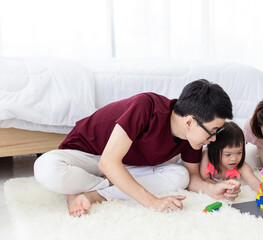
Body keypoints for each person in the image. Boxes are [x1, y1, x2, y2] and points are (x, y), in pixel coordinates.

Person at [34, 79, 240, 217]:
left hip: (125, 164)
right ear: (189, 122)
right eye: (212, 131)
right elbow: (107, 161)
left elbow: (193, 177)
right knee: (47, 169)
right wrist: (152, 202)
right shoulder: (146, 106)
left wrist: (212, 189)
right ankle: (97, 185)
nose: (213, 139)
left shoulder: (192, 137)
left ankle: (93, 193)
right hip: (87, 155)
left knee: (180, 176)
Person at [200, 121, 260, 193]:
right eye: (227, 154)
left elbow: (254, 182)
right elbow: (205, 179)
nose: (234, 159)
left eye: (239, 152)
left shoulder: (241, 165)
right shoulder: (207, 156)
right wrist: (223, 187)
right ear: (214, 151)